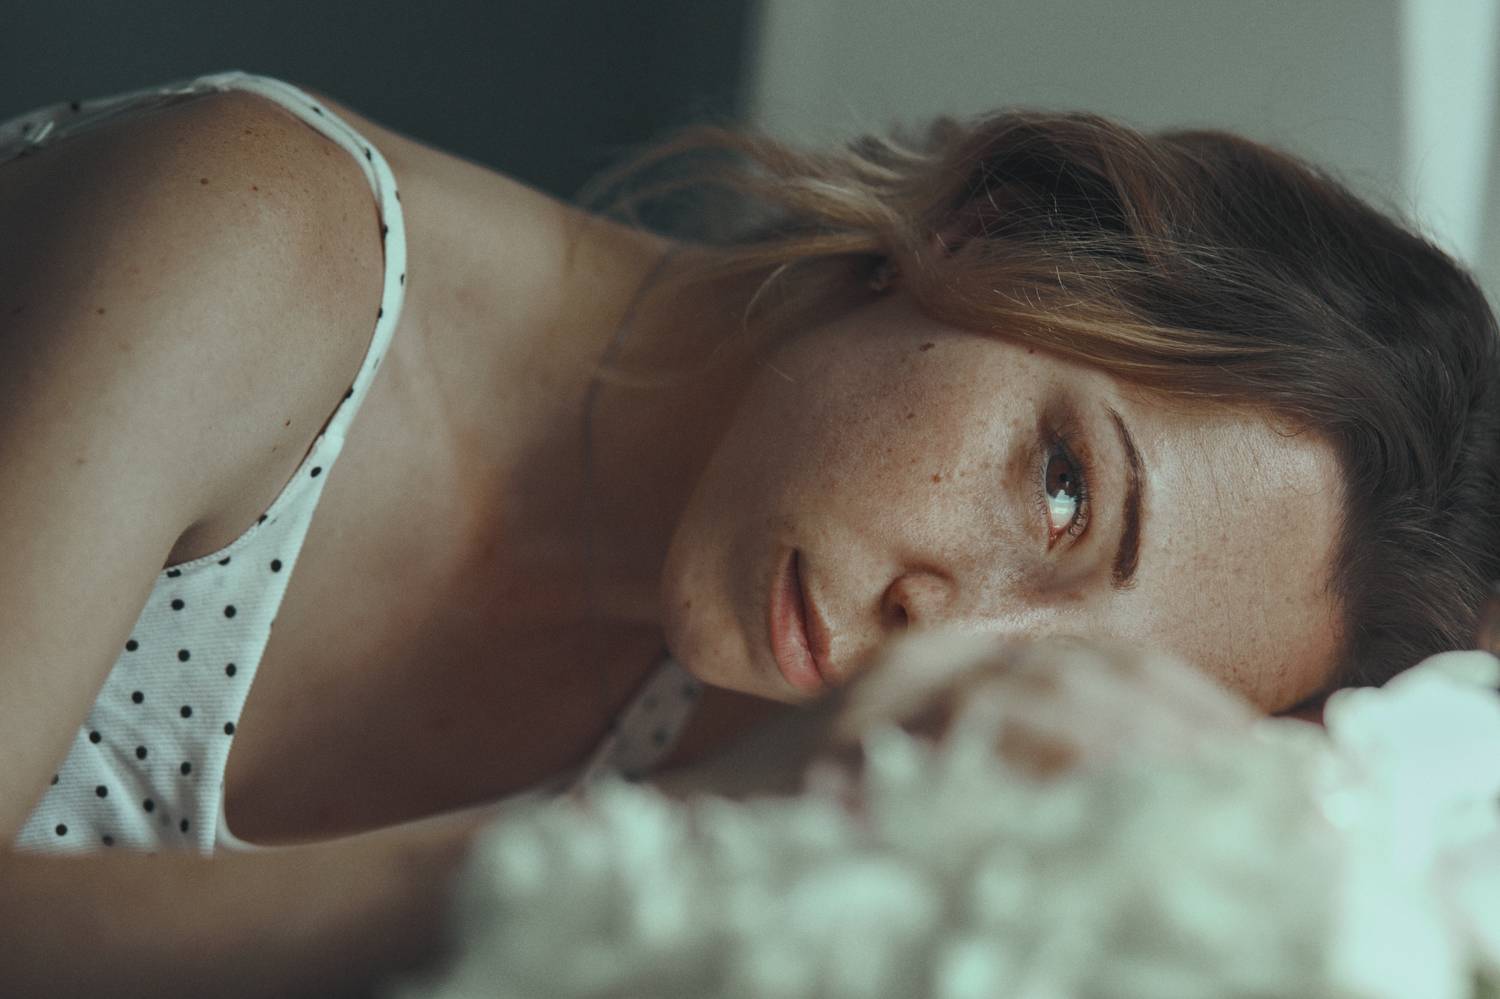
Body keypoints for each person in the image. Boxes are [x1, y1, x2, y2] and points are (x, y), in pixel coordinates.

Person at [0, 68, 1495, 996]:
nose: (947, 632)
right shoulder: (245, 235)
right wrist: (615, 855)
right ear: (998, 225)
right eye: (1062, 489)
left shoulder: (778, 705)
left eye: (1059, 659)